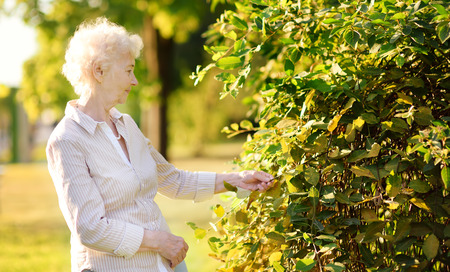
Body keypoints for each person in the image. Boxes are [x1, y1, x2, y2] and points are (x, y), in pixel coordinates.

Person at [46, 17, 274, 272]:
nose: (135, 81)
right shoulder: (67, 139)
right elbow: (89, 228)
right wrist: (159, 242)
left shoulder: (126, 125)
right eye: (128, 70)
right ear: (99, 71)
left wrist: (238, 180)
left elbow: (174, 181)